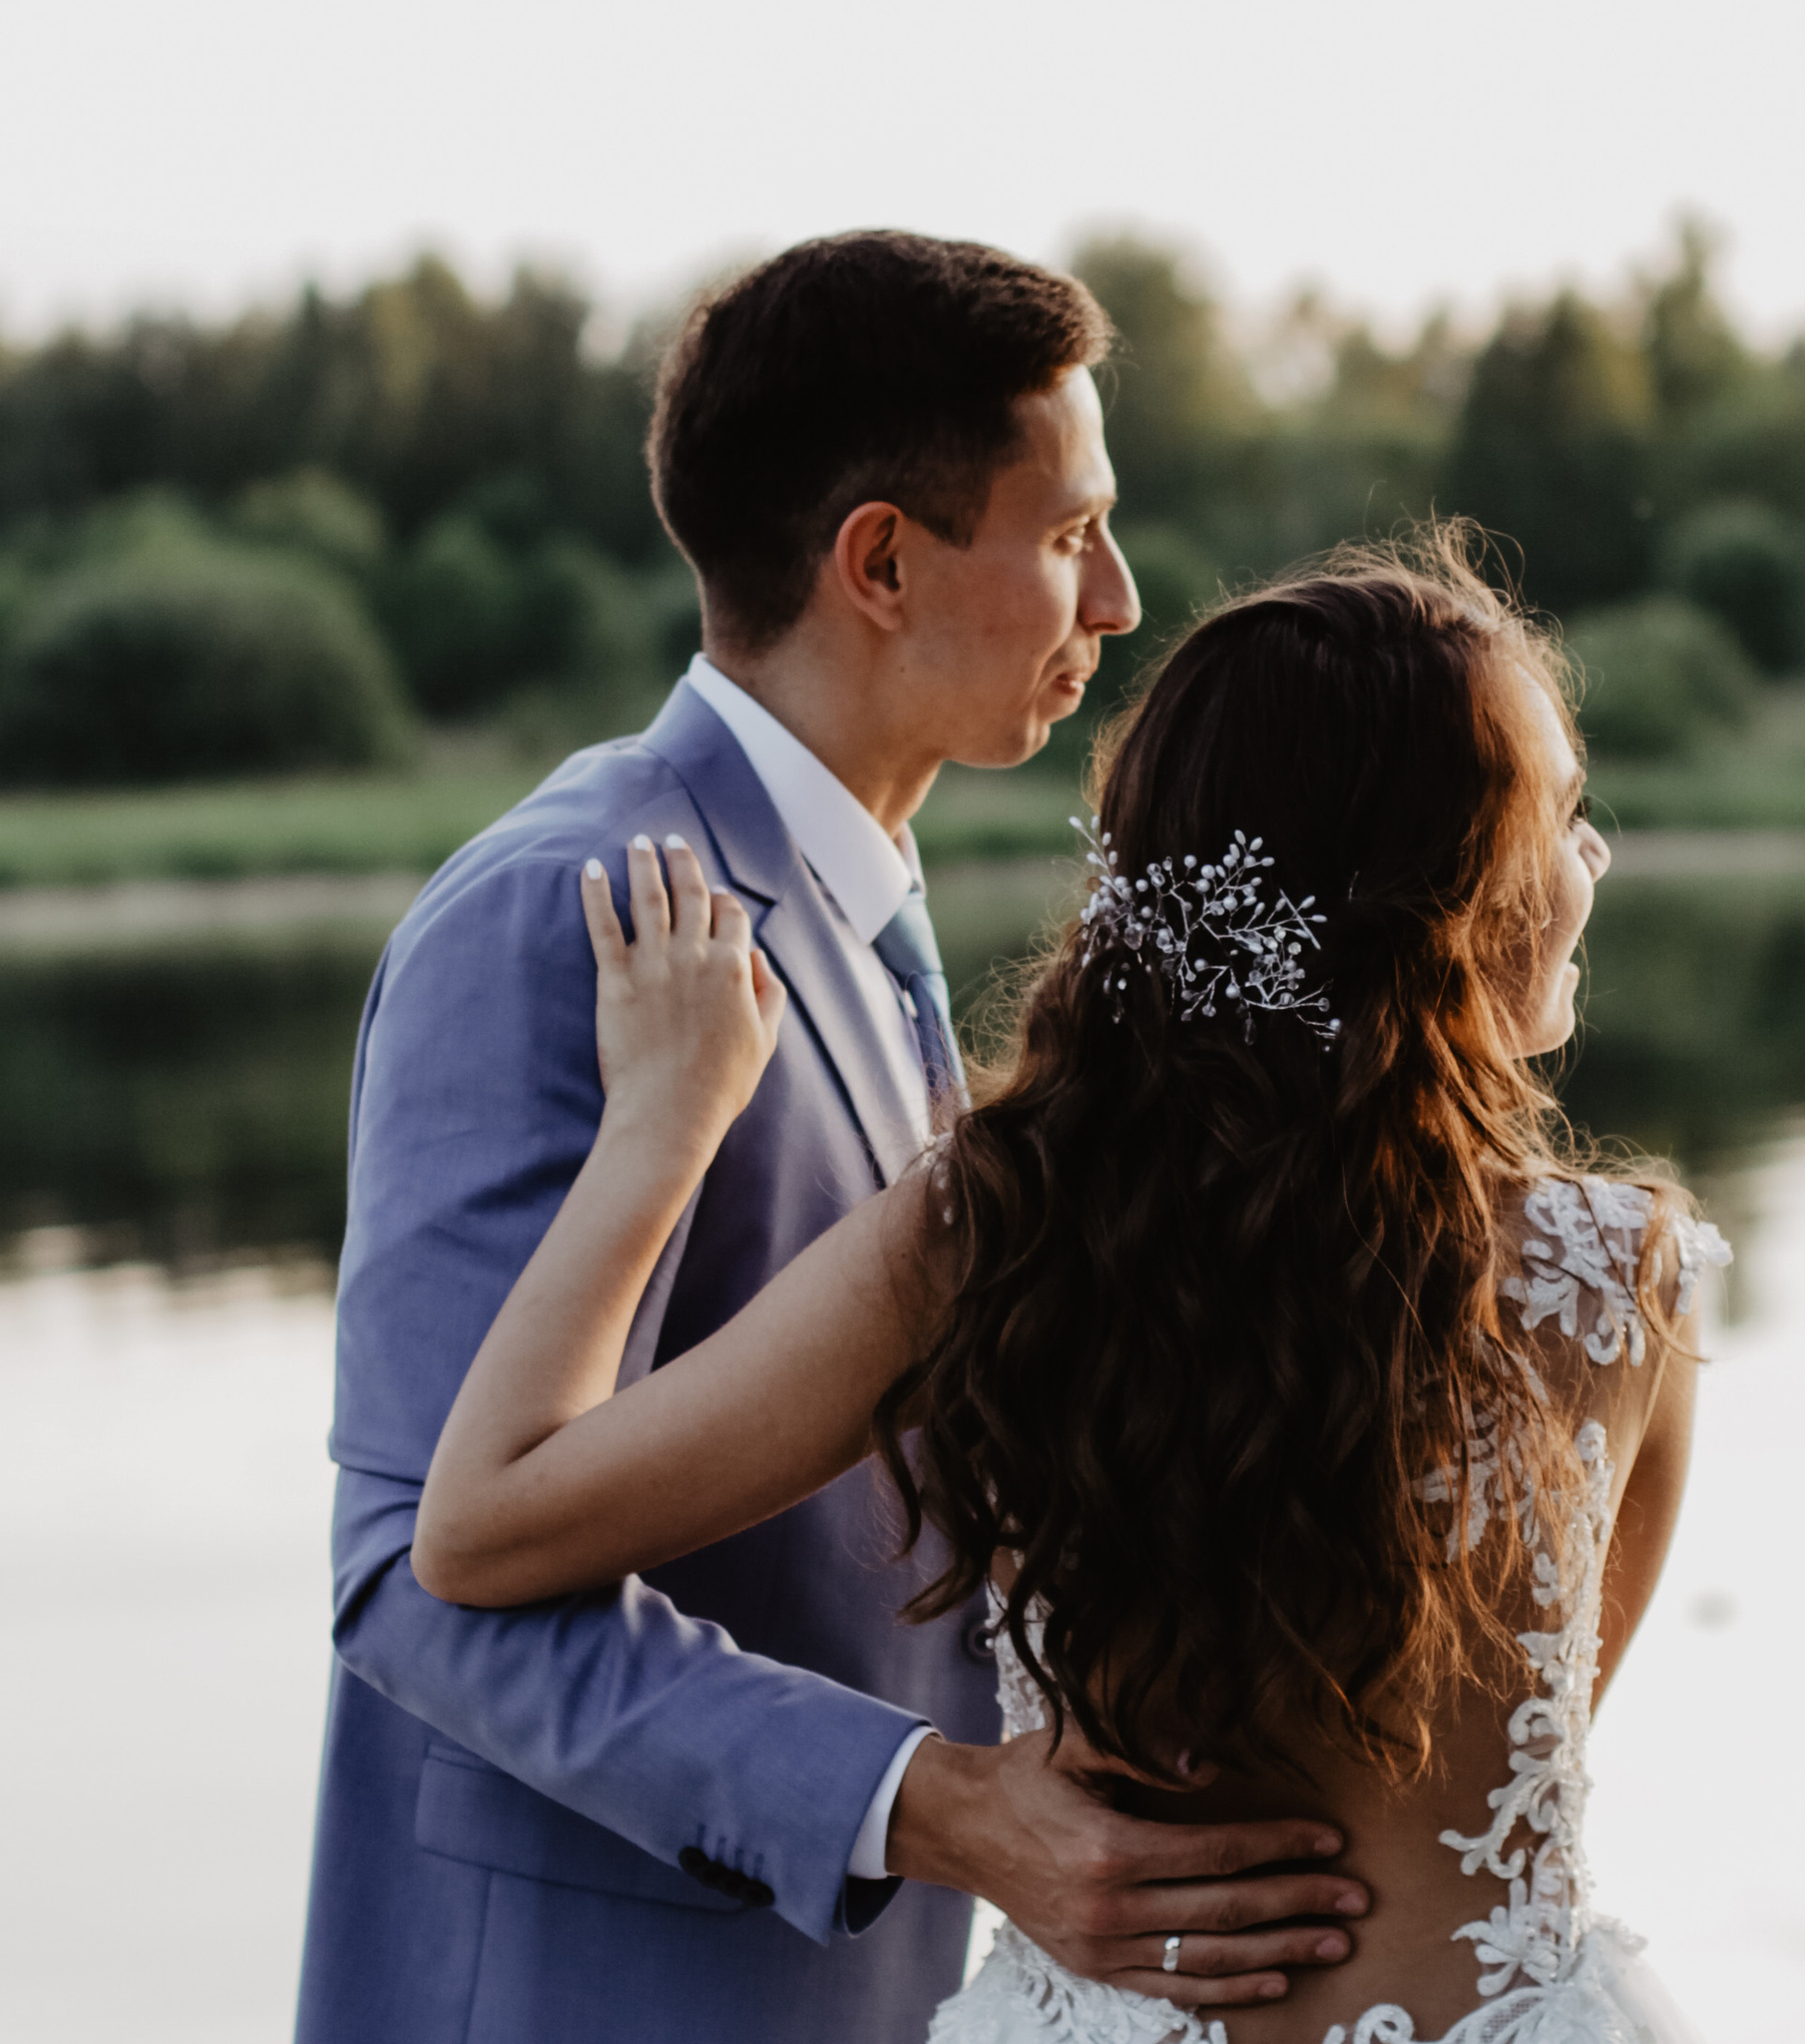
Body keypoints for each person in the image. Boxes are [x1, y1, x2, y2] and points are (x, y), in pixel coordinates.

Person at [415, 533, 1729, 2043]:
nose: (1592, 861)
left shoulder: (996, 1231)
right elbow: (1534, 1750)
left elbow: (479, 1524)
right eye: (1563, 817)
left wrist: (658, 1133)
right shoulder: (1623, 1284)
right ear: (1446, 892)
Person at [294, 232, 1377, 2044]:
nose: (1115, 599)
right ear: (881, 559)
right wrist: (939, 1807)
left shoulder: (854, 906)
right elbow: (419, 1583)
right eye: (1066, 534)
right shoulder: (574, 913)